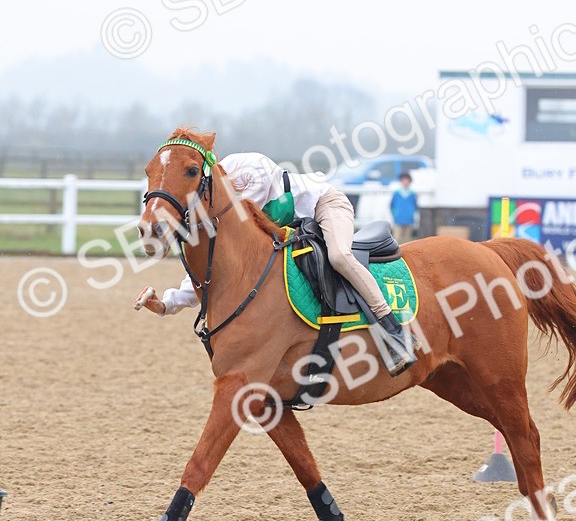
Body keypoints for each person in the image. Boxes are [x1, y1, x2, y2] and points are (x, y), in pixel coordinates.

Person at [135, 151, 417, 376]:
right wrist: (167, 304)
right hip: (298, 225)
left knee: (340, 256)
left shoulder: (245, 165)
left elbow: (247, 218)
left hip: (325, 204)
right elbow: (211, 269)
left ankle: (393, 329)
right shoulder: (214, 204)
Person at [390, 172, 418, 244]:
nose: (405, 182)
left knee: (407, 240)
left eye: (407, 180)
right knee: (397, 238)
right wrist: (395, 214)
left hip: (409, 219)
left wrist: (411, 213)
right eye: (403, 180)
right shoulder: (397, 193)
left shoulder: (412, 193)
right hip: (398, 218)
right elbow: (391, 205)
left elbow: (415, 206)